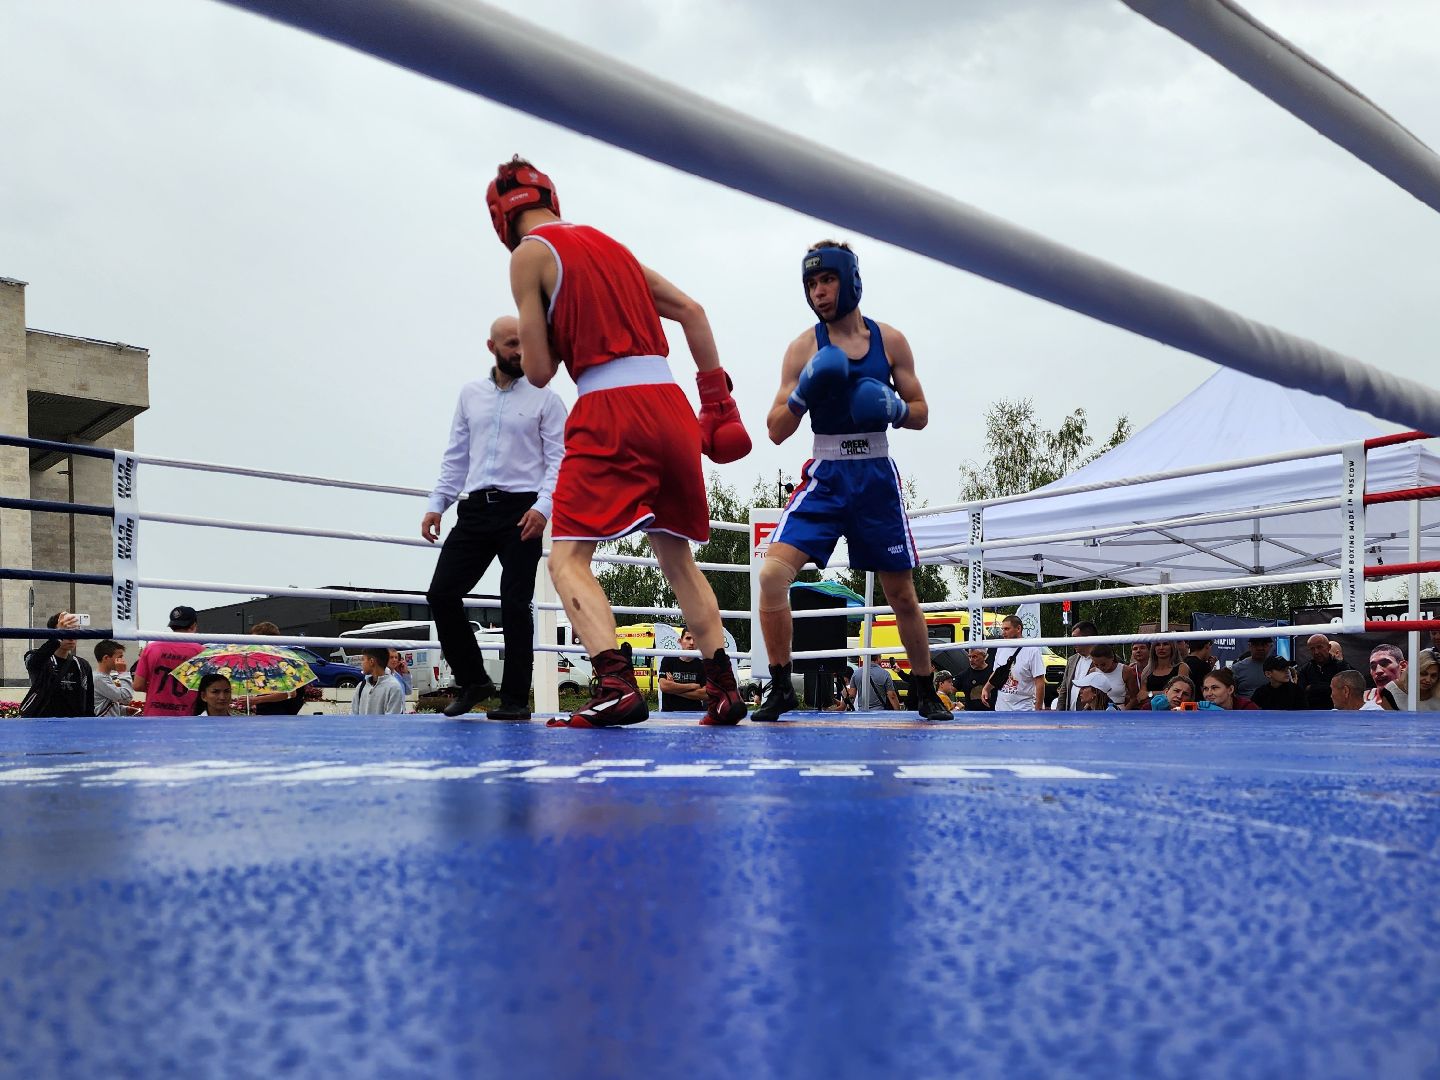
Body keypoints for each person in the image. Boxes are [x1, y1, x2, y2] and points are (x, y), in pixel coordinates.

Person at [496, 156, 750, 728]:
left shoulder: (528, 255)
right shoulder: (614, 247)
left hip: (613, 408)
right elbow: (692, 311)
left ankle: (614, 685)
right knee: (677, 557)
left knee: (566, 559)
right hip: (671, 405)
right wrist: (716, 403)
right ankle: (724, 688)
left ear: (501, 215)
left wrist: (556, 335)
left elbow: (538, 371)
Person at [749, 240, 948, 724]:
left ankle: (925, 691)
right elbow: (775, 430)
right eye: (812, 284)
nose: (819, 292)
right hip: (827, 473)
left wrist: (896, 408)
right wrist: (802, 394)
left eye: (827, 280)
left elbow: (921, 412)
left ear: (850, 279)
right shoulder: (803, 347)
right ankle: (779, 689)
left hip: (875, 475)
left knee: (901, 592)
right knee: (773, 575)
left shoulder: (891, 341)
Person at [423, 313, 567, 721]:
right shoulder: (471, 395)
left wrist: (542, 507)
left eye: (525, 343)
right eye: (511, 345)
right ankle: (474, 680)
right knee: (442, 593)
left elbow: (561, 460)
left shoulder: (546, 398)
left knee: (514, 603)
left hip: (522, 509)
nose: (520, 351)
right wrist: (438, 503)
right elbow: (456, 454)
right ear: (492, 348)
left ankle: (516, 700)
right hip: (474, 508)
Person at [132, 605, 205, 717]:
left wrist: (157, 688)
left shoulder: (151, 648)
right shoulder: (201, 651)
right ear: (194, 626)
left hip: (154, 715)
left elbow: (137, 685)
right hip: (186, 716)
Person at [21, 612, 95, 717]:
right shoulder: (36, 656)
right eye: (66, 632)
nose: (71, 637)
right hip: (43, 724)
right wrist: (57, 636)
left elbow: (89, 703)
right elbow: (35, 662)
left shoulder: (82, 665)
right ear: (53, 633)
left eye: (75, 632)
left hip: (75, 727)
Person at [982, 615, 1047, 712]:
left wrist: (1038, 708)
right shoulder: (1001, 648)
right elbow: (997, 673)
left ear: (1018, 628)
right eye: (1002, 629)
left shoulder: (1032, 650)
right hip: (1001, 709)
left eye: (1007, 629)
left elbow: (1040, 681)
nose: (1003, 633)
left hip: (1024, 710)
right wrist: (986, 688)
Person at [241, 621, 306, 716]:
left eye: (255, 641)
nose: (252, 645)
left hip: (281, 718)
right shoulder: (264, 662)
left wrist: (256, 700)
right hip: (266, 716)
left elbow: (291, 693)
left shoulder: (283, 661)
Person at [657, 627, 707, 712]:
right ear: (680, 641)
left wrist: (673, 688)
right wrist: (692, 686)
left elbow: (705, 694)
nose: (691, 643)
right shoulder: (668, 660)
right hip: (669, 713)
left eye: (695, 639)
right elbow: (664, 686)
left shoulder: (702, 665)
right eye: (688, 638)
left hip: (694, 713)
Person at [1296, 633, 1350, 710]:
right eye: (1312, 649)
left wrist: (1312, 688)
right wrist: (1330, 687)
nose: (1316, 652)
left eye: (1319, 647)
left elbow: (1345, 690)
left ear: (1329, 647)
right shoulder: (1304, 670)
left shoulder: (1342, 667)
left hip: (1337, 712)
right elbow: (1301, 693)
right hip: (1312, 714)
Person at [1056, 621, 1097, 711]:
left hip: (1093, 719)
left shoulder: (1105, 660)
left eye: (1075, 638)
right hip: (1069, 718)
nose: (1072, 642)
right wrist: (1058, 714)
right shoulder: (1071, 660)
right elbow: (1064, 690)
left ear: (1088, 638)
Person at [352, 648, 406, 715]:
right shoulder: (361, 686)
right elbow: (354, 716)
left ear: (371, 661)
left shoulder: (394, 687)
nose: (361, 663)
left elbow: (392, 721)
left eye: (363, 659)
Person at [1084, 645, 1140, 710]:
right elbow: (1089, 695)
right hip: (1097, 711)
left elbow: (1134, 698)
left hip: (1118, 711)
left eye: (1103, 664)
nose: (1100, 668)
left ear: (1112, 658)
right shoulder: (1093, 671)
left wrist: (1123, 713)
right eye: (1096, 664)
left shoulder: (1125, 671)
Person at [92, 639, 136, 717]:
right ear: (106, 658)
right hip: (104, 726)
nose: (122, 661)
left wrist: (124, 710)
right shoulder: (99, 679)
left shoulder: (104, 677)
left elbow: (105, 703)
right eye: (119, 657)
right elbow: (126, 698)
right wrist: (123, 673)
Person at [1364, 644, 1407, 710]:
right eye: (1373, 667)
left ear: (1403, 666)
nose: (1378, 671)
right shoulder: (1362, 699)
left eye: (1384, 664)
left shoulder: (1418, 697)